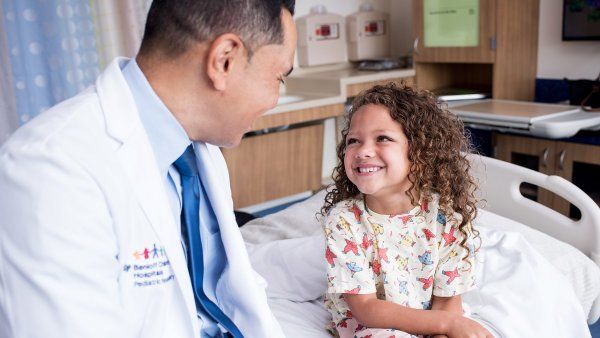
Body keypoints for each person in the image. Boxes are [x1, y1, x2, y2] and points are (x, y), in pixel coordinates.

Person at [0, 1, 296, 337]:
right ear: (224, 59)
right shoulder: (49, 169)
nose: (274, 100)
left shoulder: (200, 147)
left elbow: (234, 290)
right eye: (278, 79)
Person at [321, 83, 493, 338]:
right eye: (353, 141)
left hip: (436, 321)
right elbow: (366, 309)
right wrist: (446, 326)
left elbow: (447, 304)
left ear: (421, 152)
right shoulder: (344, 220)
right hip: (373, 327)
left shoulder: (447, 217)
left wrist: (442, 331)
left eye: (382, 138)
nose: (363, 151)